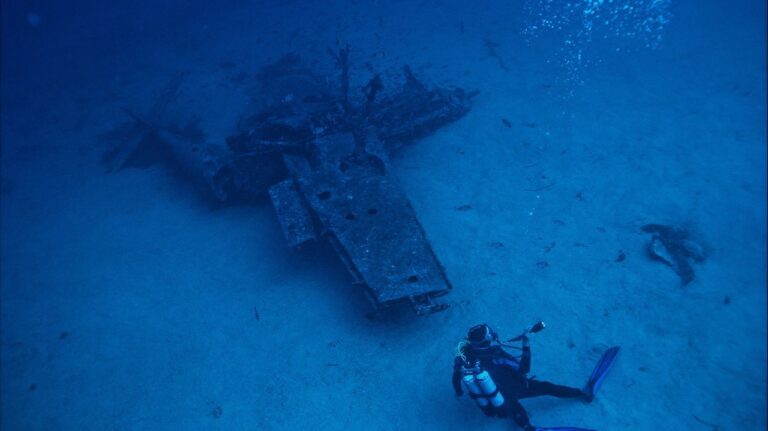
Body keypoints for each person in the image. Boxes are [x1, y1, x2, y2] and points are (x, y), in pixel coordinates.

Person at [452, 323, 619, 431]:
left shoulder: (463, 355)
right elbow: (523, 369)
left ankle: (527, 427)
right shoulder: (496, 354)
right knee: (547, 387)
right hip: (516, 388)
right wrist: (526, 343)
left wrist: (459, 392)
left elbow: (456, 378)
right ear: (489, 339)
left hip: (493, 398)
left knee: (513, 406)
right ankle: (584, 393)